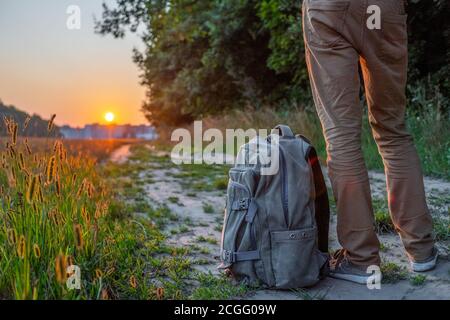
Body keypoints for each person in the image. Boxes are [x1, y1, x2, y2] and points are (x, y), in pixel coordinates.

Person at [302, 0, 437, 284]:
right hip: (382, 8)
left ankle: (361, 260)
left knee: (340, 135)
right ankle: (422, 251)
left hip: (329, 9)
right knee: (393, 129)